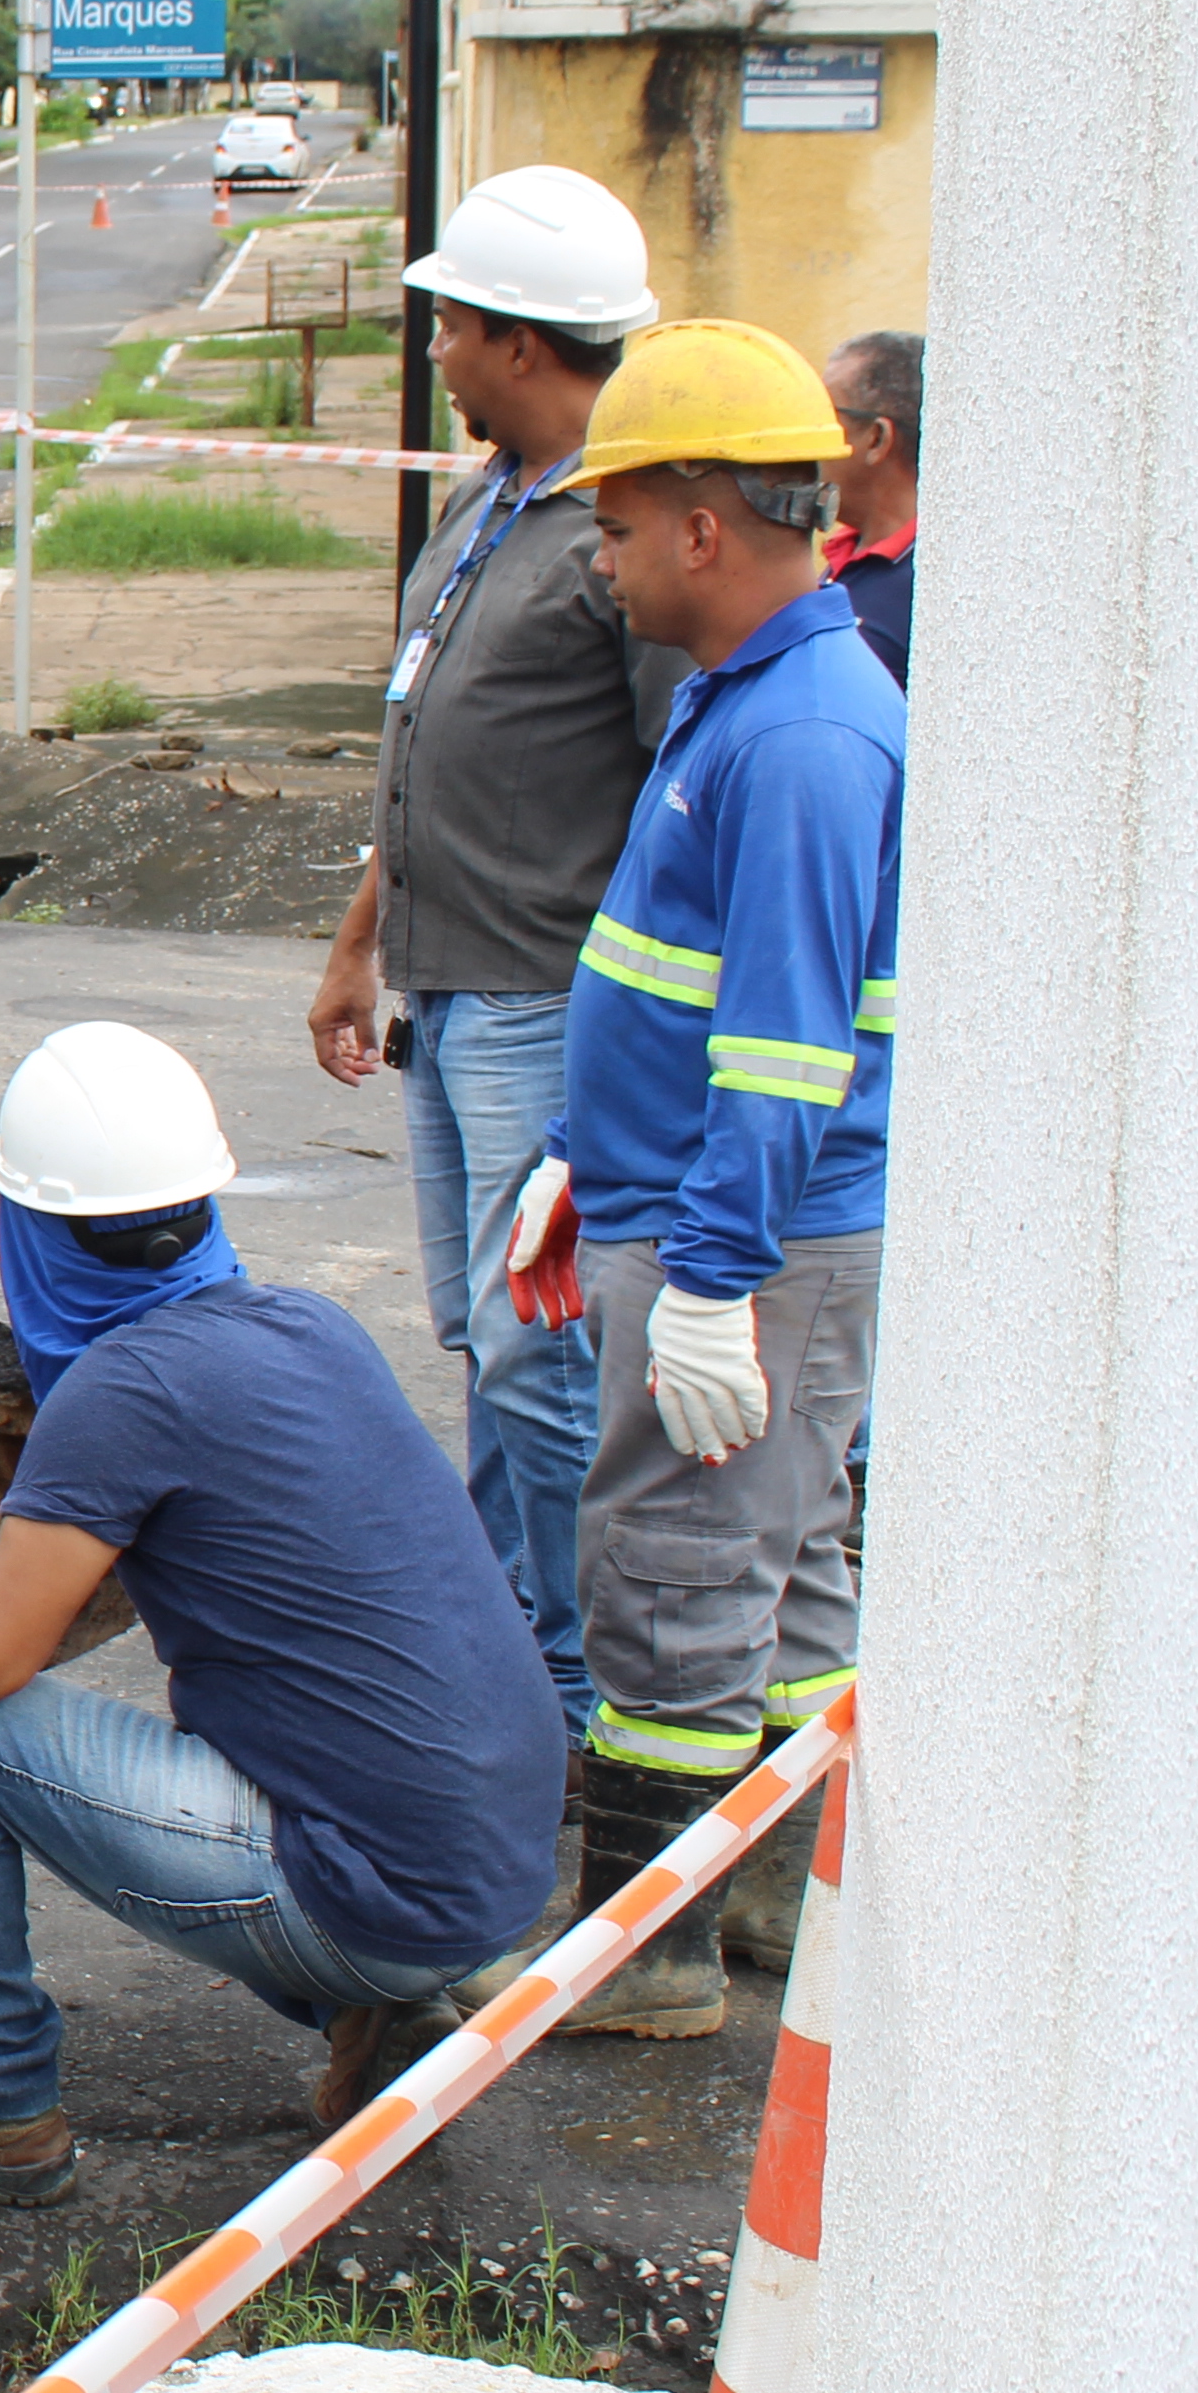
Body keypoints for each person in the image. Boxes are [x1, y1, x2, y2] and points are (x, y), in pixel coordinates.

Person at [0, 1025, 566, 2205]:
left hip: (390, 1888)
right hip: (500, 1866)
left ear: (32, 1230)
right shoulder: (312, 1325)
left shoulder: (121, 1392)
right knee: (257, 1693)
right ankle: (390, 2007)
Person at [489, 319, 897, 2041]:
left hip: (753, 1239)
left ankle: (641, 1948)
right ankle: (763, 1897)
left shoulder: (802, 738)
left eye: (615, 524)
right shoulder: (748, 699)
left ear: (702, 530)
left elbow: (784, 1050)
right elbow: (678, 979)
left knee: (668, 1569)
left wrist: (715, 1274)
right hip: (692, 1205)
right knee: (783, 1562)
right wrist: (584, 1155)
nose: (598, 556)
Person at [305, 163, 680, 1732]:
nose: (436, 350)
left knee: (540, 1360)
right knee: (480, 1337)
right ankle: (506, 1640)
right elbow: (423, 743)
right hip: (450, 996)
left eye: (452, 325)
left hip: (548, 1007)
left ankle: (577, 1681)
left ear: (524, 344)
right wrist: (357, 947)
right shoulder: (487, 507)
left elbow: (679, 792)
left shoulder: (624, 530)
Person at [821, 330, 924, 686]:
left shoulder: (933, 585)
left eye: (823, 417)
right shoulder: (838, 561)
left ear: (877, 439)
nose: (806, 437)